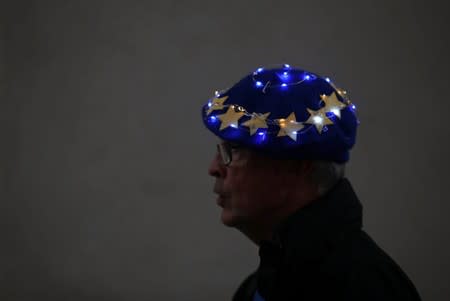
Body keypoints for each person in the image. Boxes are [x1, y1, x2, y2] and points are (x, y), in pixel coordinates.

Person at [201, 65, 422, 300]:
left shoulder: (367, 288)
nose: (213, 168)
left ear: (298, 165)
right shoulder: (264, 285)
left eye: (233, 150)